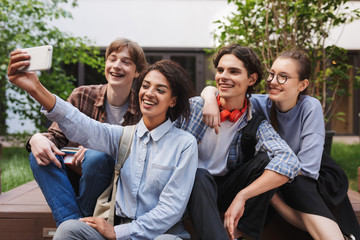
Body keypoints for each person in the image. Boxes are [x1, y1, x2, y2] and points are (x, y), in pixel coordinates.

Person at [8, 57, 198, 239]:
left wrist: (122, 233)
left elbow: (171, 208)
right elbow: (83, 126)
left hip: (161, 234)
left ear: (173, 100)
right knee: (69, 229)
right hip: (116, 229)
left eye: (160, 90)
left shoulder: (184, 144)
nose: (149, 93)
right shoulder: (123, 136)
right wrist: (36, 89)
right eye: (146, 86)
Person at [201, 49, 360, 239]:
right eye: (272, 74)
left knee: (289, 181)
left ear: (302, 84)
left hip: (316, 174)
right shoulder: (260, 103)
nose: (273, 81)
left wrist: (266, 184)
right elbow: (213, 89)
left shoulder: (309, 106)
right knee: (272, 173)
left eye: (283, 77)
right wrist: (210, 100)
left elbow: (307, 169)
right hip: (280, 170)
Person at [174, 44, 301, 240]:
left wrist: (243, 196)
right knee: (200, 175)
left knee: (267, 159)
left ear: (251, 79)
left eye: (233, 71)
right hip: (185, 186)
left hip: (224, 190)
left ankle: (241, 232)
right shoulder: (193, 108)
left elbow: (289, 161)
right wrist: (208, 97)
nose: (223, 76)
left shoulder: (254, 122)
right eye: (220, 70)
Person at [24, 38, 147, 226]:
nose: (116, 66)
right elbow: (56, 136)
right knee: (39, 155)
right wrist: (36, 138)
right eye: (112, 59)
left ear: (137, 71)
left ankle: (73, 228)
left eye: (126, 62)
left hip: (114, 187)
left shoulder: (143, 108)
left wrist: (98, 149)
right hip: (75, 176)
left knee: (97, 156)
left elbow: (142, 157)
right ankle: (73, 223)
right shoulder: (82, 94)